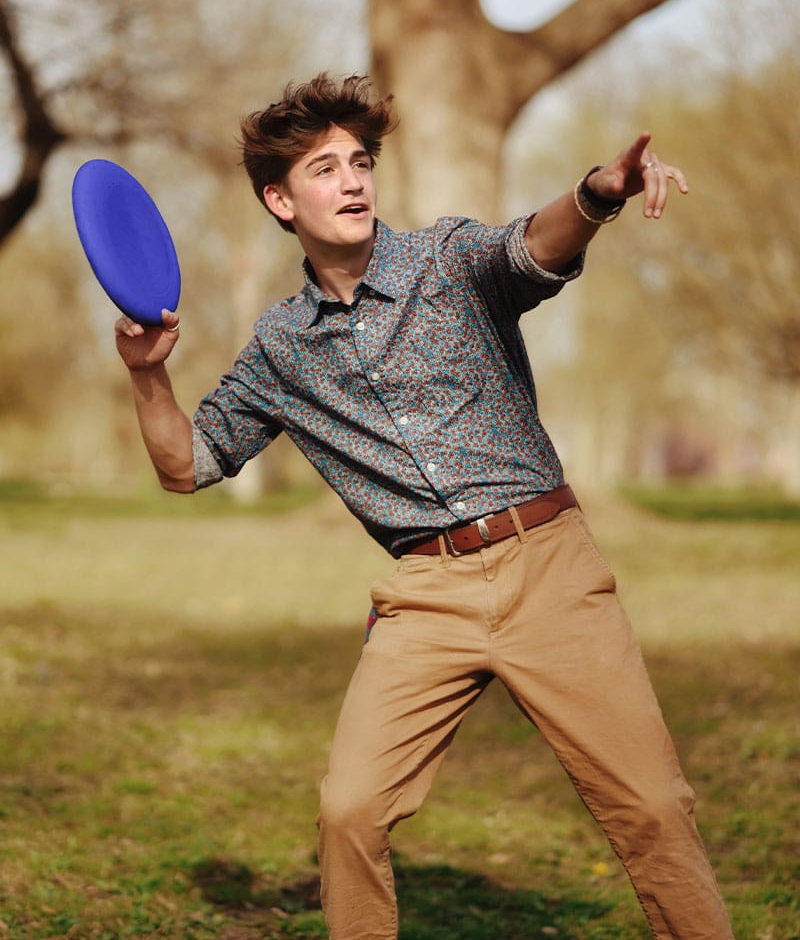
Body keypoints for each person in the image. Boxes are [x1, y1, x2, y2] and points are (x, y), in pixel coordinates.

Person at [115, 73, 734, 940]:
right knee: (349, 812)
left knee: (654, 809)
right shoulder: (281, 347)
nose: (354, 181)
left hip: (545, 564)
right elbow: (189, 464)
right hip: (426, 597)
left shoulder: (446, 260)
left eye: (360, 162)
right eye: (325, 169)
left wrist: (599, 192)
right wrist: (148, 372)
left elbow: (534, 248)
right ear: (279, 199)